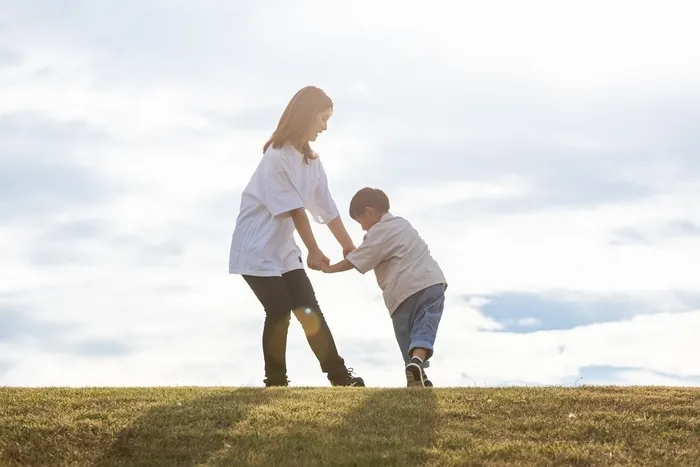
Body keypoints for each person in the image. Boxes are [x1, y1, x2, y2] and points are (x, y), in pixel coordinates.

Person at [228, 86, 365, 387]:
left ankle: (341, 378)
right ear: (307, 116)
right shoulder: (276, 158)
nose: (325, 127)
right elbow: (296, 212)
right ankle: (275, 382)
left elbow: (327, 208)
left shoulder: (311, 162)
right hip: (255, 248)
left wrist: (348, 246)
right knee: (278, 309)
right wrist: (314, 251)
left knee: (308, 307)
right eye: (323, 118)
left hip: (283, 248)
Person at [321, 187, 447, 387]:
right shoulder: (402, 224)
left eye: (359, 220)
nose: (362, 227)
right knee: (425, 326)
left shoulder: (377, 233)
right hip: (430, 283)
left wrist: (328, 269)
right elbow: (370, 252)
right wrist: (357, 252)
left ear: (369, 211)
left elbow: (356, 261)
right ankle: (417, 368)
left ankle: (415, 369)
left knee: (406, 336)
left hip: (401, 294)